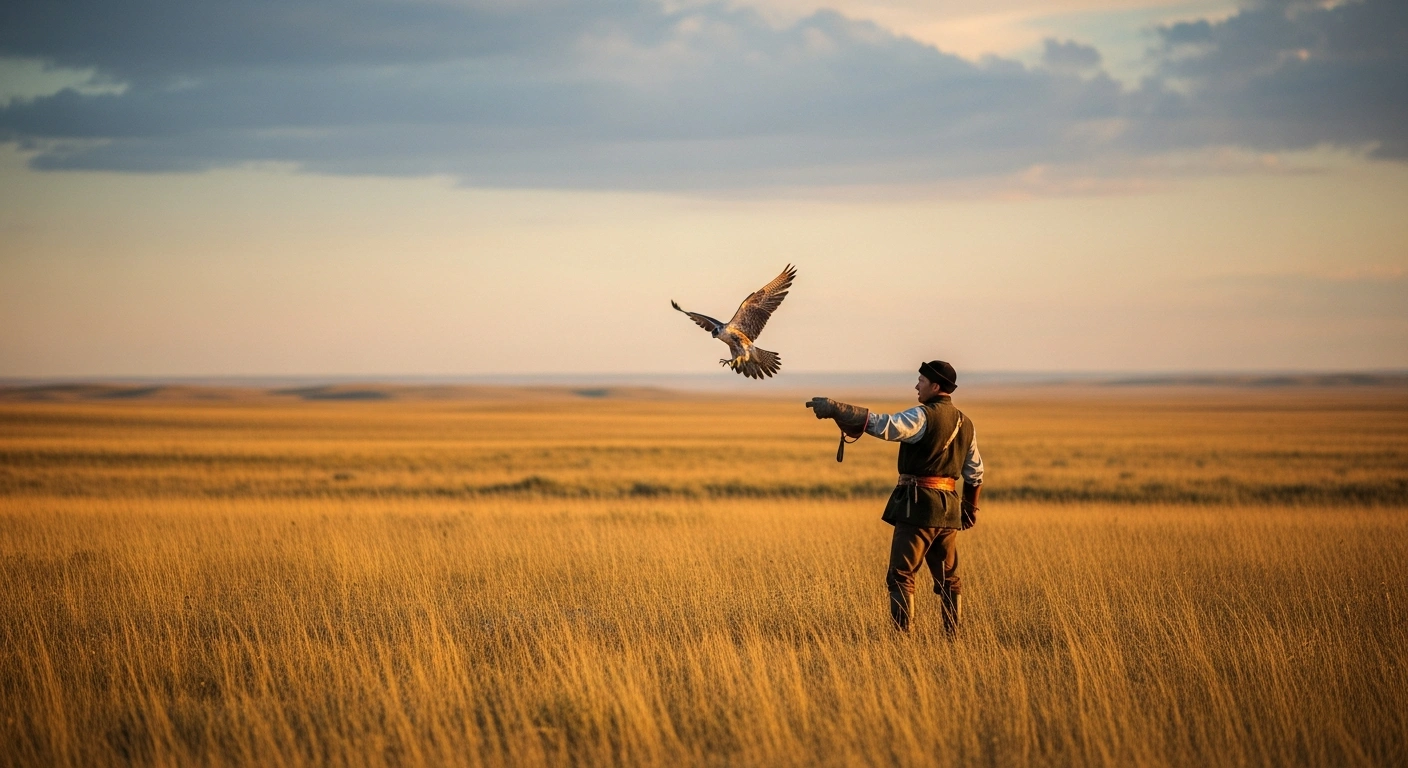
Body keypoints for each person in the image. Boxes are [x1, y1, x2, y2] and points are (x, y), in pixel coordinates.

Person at [806, 360, 984, 634]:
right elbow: (975, 474)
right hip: (949, 512)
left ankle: (903, 640)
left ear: (936, 386)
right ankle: (953, 638)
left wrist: (837, 409)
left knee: (901, 574)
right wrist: (969, 509)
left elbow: (887, 426)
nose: (916, 386)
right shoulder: (966, 423)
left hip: (918, 506)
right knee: (949, 579)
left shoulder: (923, 416)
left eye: (921, 381)